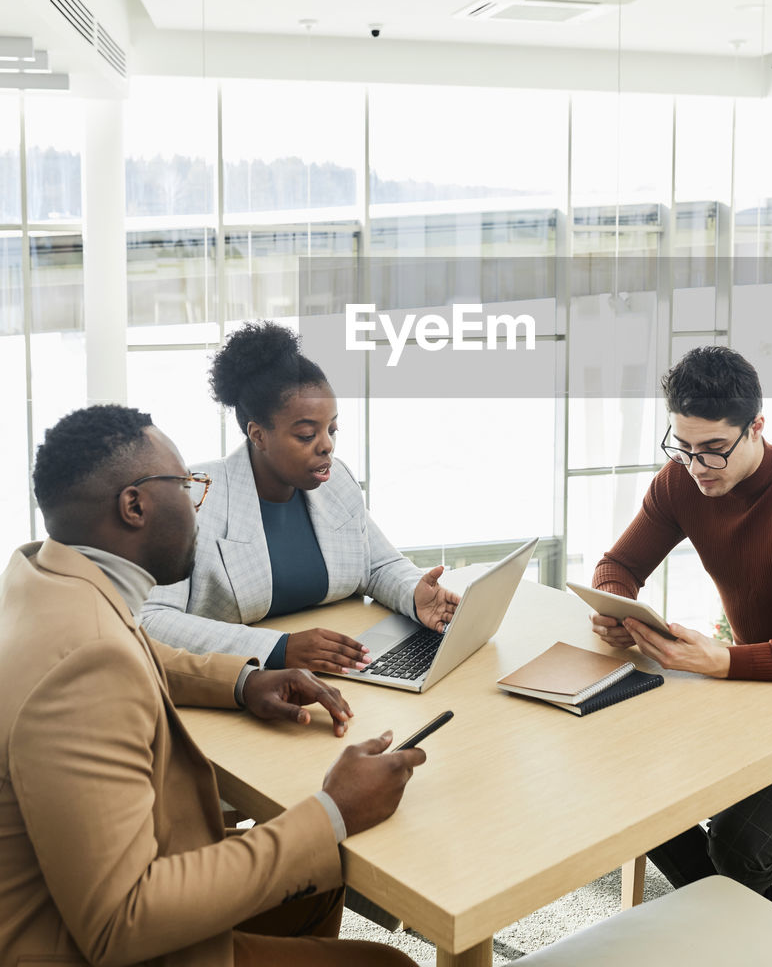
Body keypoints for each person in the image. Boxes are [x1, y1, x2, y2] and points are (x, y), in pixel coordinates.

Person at [0, 403, 424, 966]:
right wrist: (332, 810)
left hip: (75, 891)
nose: (199, 506)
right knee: (387, 964)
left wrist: (244, 682)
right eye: (187, 487)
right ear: (135, 505)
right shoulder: (88, 667)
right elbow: (120, 923)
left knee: (318, 884)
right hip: (83, 944)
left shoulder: (43, 575)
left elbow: (137, 650)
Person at [590, 345, 772, 910]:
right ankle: (756, 922)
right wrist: (615, 607)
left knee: (739, 845)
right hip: (757, 687)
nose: (696, 467)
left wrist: (725, 661)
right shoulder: (681, 481)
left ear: (756, 427)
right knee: (632, 788)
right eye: (681, 447)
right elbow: (618, 566)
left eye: (713, 450)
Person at [141, 321, 460, 673]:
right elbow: (151, 620)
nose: (327, 446)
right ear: (258, 435)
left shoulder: (335, 479)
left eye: (332, 429)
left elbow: (376, 564)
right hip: (244, 684)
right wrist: (278, 648)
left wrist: (415, 595)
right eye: (307, 434)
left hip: (346, 669)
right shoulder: (193, 497)